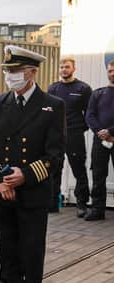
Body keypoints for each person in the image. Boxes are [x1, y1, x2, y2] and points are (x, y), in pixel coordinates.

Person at [0, 45, 65, 283]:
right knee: (6, 247)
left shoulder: (52, 105)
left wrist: (24, 176)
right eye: (7, 71)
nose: (10, 76)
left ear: (32, 72)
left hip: (32, 190)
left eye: (16, 71)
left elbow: (54, 154)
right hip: (3, 191)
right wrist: (0, 181)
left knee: (31, 249)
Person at [47, 57, 92, 216]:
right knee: (53, 169)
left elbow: (89, 113)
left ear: (74, 69)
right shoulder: (53, 88)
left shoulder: (83, 88)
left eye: (67, 67)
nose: (63, 70)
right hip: (56, 135)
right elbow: (48, 111)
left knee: (78, 169)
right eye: (61, 67)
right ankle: (52, 203)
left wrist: (80, 128)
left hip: (74, 134)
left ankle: (82, 204)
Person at [84, 60, 114, 221]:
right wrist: (100, 132)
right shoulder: (98, 93)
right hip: (99, 140)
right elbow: (90, 115)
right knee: (98, 174)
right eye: (110, 71)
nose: (112, 73)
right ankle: (97, 209)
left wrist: (110, 131)